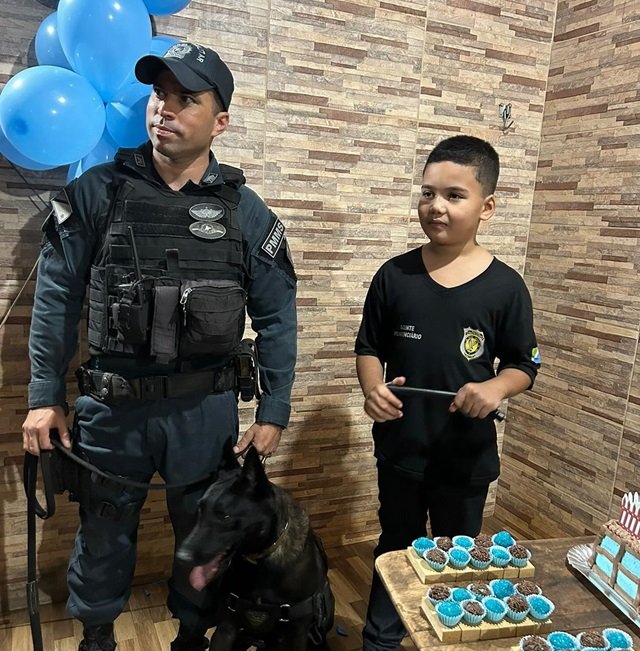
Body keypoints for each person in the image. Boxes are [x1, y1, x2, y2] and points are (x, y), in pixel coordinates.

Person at [21, 42, 297, 651]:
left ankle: (192, 637)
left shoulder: (246, 212)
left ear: (220, 122)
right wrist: (44, 396)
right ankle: (97, 638)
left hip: (204, 412)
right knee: (102, 533)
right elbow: (56, 299)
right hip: (112, 409)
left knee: (205, 539)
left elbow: (278, 315)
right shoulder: (96, 193)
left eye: (186, 99)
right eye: (158, 94)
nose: (164, 109)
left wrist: (274, 410)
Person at [355, 135, 541, 650]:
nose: (436, 206)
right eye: (428, 193)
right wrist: (372, 389)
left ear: (487, 207)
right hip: (401, 448)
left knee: (457, 555)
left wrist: (496, 386)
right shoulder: (394, 275)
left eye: (454, 195)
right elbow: (368, 347)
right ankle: (380, 640)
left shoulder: (506, 287)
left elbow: (525, 364)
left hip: (465, 456)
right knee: (396, 547)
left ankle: (450, 638)